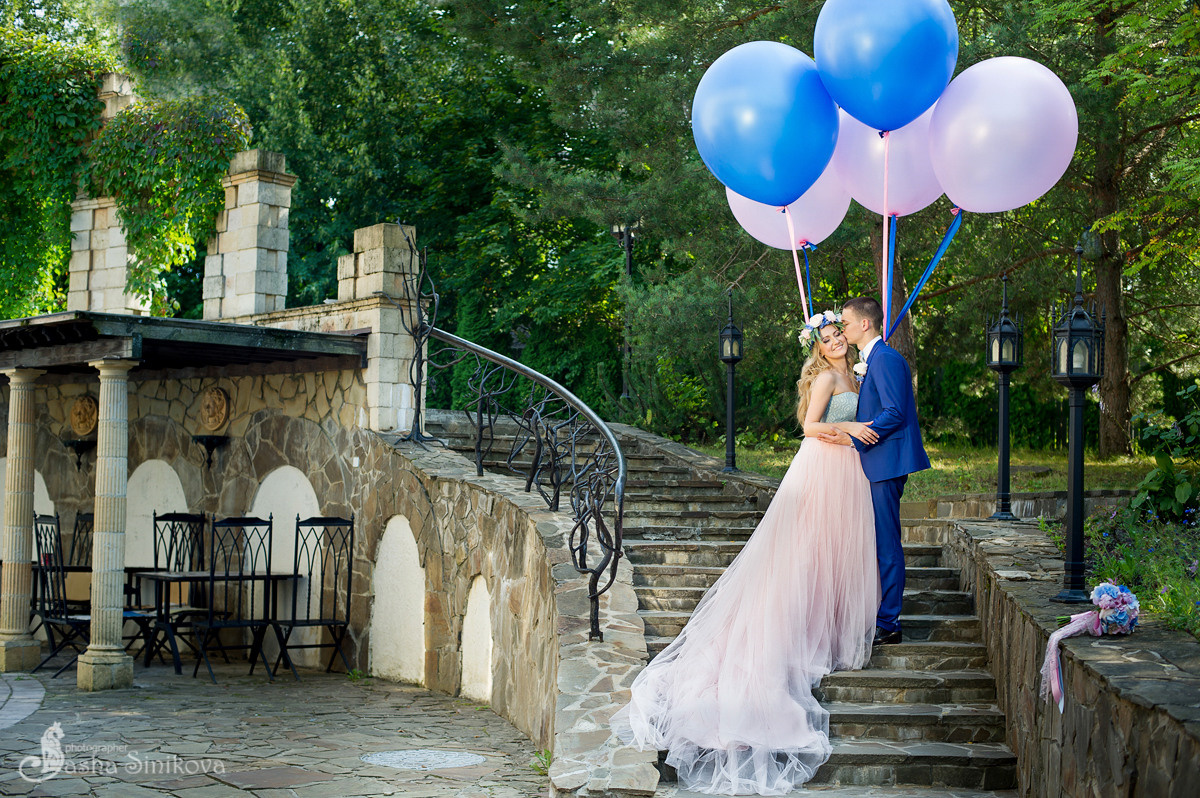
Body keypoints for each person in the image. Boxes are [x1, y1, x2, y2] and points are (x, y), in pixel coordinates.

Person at [612, 311, 881, 796]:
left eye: (839, 332)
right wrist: (855, 428)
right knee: (807, 554)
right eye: (828, 336)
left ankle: (828, 627)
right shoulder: (824, 378)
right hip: (824, 467)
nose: (837, 339)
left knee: (833, 558)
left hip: (848, 472)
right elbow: (811, 427)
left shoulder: (854, 372)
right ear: (818, 348)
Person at [817, 297, 930, 645]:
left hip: (887, 461)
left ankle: (890, 623)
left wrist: (857, 438)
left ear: (864, 324)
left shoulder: (887, 359)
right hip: (878, 461)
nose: (843, 331)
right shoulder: (870, 362)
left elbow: (895, 412)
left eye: (846, 324)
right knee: (878, 541)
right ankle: (880, 614)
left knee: (886, 543)